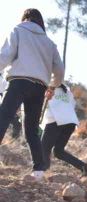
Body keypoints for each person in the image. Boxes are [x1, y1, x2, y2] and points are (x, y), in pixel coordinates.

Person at [0, 8, 65, 180]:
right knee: (31, 130)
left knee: (3, 118)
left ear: (25, 18)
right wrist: (52, 86)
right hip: (39, 88)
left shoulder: (18, 30)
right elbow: (59, 70)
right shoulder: (49, 43)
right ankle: (38, 171)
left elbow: (5, 56)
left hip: (19, 81)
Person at [40, 83, 87, 176]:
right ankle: (83, 166)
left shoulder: (48, 88)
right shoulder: (67, 91)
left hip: (56, 120)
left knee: (44, 148)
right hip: (70, 122)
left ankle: (43, 172)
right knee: (58, 151)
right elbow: (72, 104)